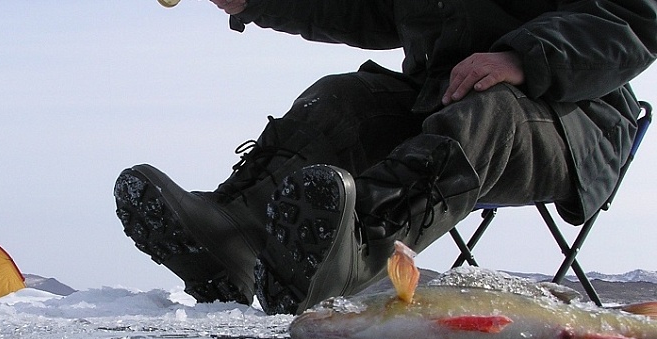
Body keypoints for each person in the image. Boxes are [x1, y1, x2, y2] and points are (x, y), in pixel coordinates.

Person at [115, 0, 657, 315]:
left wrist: (523, 57)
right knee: (341, 98)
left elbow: (635, 16)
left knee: (488, 111)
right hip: (442, 96)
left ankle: (354, 247)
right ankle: (234, 238)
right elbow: (363, 5)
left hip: (573, 114)